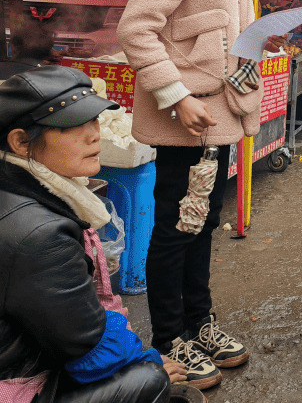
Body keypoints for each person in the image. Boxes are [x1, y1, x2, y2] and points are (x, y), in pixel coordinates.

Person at [117, 0, 272, 389]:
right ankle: (168, 340)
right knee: (175, 227)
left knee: (205, 221)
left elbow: (235, 27)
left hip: (223, 112)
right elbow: (137, 30)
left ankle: (198, 322)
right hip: (186, 118)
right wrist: (177, 95)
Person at [0, 66, 183, 402]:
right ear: (21, 141)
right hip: (13, 379)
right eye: (72, 126)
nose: (94, 135)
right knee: (149, 380)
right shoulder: (40, 234)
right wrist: (149, 360)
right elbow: (84, 343)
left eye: (94, 120)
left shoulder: (19, 186)